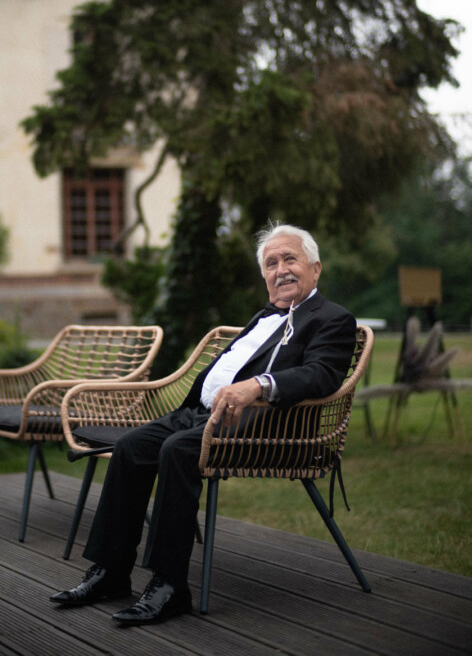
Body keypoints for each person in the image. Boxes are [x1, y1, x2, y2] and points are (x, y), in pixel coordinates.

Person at [50, 222, 356, 626]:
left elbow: (321, 375)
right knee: (131, 446)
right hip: (201, 412)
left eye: (289, 259)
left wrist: (259, 386)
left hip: (267, 424)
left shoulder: (332, 318)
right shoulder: (264, 317)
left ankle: (169, 585)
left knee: (175, 450)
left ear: (315, 268)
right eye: (270, 263)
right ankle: (110, 572)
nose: (280, 269)